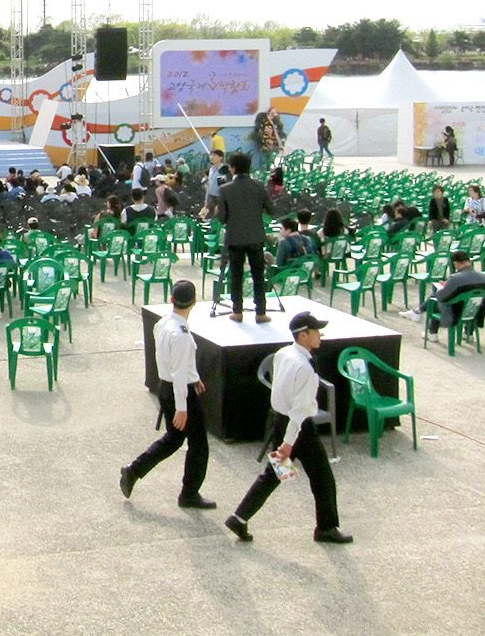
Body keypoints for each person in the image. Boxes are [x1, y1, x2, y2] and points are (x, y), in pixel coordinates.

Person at [225, 311, 352, 545]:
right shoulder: (305, 367)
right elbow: (301, 409)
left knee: (274, 474)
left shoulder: (283, 353)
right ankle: (326, 527)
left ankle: (240, 517)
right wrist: (289, 442)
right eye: (315, 331)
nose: (320, 335)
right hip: (299, 429)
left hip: (281, 421)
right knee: (322, 477)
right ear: (303, 335)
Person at [120, 281, 214, 509]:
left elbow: (173, 361)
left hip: (166, 386)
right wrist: (182, 407)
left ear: (172, 299)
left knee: (173, 440)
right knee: (199, 445)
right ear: (194, 303)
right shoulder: (181, 334)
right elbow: (180, 372)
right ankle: (189, 493)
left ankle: (133, 471)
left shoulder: (163, 324)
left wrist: (194, 375)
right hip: (179, 392)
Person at [217, 152, 274, 323]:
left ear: (232, 168)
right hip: (256, 236)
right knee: (258, 275)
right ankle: (261, 312)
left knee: (236, 275)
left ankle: (237, 311)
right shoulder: (259, 186)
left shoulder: (225, 189)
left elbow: (222, 218)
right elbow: (271, 209)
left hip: (235, 237)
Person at [400, 251, 485, 340]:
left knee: (436, 298)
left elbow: (441, 297)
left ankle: (431, 331)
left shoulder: (456, 278)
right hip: (474, 313)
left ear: (456, 263)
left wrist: (442, 288)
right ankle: (468, 332)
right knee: (472, 299)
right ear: (469, 261)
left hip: (455, 314)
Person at [199, 149, 229, 220]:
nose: (212, 157)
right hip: (211, 198)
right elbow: (209, 186)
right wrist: (206, 201)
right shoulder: (211, 170)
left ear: (221, 158)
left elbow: (223, 187)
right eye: (211, 155)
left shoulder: (223, 170)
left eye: (214, 155)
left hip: (220, 198)